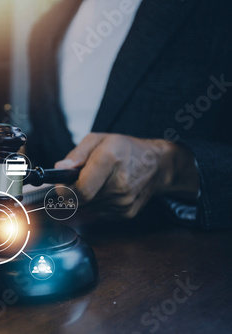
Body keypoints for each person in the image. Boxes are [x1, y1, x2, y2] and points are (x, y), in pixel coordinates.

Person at [25, 0, 232, 229]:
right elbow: (47, 147)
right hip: (61, 255)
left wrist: (169, 168)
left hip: (185, 258)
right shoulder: (46, 29)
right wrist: (9, 153)